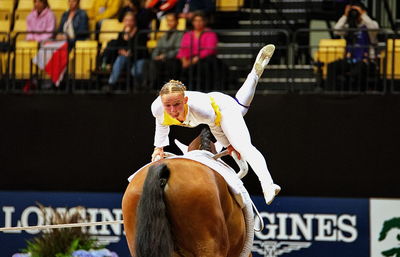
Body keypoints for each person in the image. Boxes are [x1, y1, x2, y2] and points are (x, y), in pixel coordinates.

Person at [150, 44, 281, 205]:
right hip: (212, 107)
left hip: (221, 107)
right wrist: (159, 148)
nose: (172, 110)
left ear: (185, 100)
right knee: (242, 106)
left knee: (243, 144)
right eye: (167, 106)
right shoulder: (158, 108)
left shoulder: (200, 109)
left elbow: (216, 126)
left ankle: (268, 185)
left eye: (177, 105)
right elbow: (161, 124)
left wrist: (229, 145)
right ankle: (253, 74)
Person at [328, 2, 379, 91]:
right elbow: (336, 30)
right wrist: (345, 15)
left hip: (366, 60)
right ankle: (331, 92)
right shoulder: (349, 26)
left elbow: (374, 29)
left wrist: (362, 14)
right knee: (332, 66)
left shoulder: (371, 24)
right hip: (350, 59)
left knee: (357, 70)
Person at [104, 12, 148, 89]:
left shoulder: (141, 33)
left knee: (136, 71)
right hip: (126, 60)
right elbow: (118, 47)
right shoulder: (121, 34)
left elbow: (141, 50)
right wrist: (122, 50)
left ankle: (140, 87)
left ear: (134, 22)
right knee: (121, 58)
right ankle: (111, 84)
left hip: (138, 58)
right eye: (126, 20)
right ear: (123, 22)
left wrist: (130, 52)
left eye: (131, 20)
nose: (128, 23)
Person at [176, 11, 218, 90]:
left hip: (203, 58)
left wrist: (195, 59)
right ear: (192, 22)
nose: (198, 23)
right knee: (175, 64)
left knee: (203, 65)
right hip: (189, 59)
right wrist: (184, 60)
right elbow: (183, 49)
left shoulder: (210, 33)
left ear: (204, 22)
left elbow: (209, 50)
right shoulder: (188, 34)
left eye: (200, 20)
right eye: (195, 20)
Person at [148, 12, 183, 88]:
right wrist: (155, 56)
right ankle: (152, 86)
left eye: (172, 20)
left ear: (177, 22)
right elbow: (157, 48)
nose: (170, 23)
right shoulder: (164, 35)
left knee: (172, 64)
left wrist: (165, 56)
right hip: (161, 59)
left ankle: (171, 87)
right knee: (152, 62)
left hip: (173, 59)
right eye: (168, 21)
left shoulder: (180, 34)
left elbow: (177, 49)